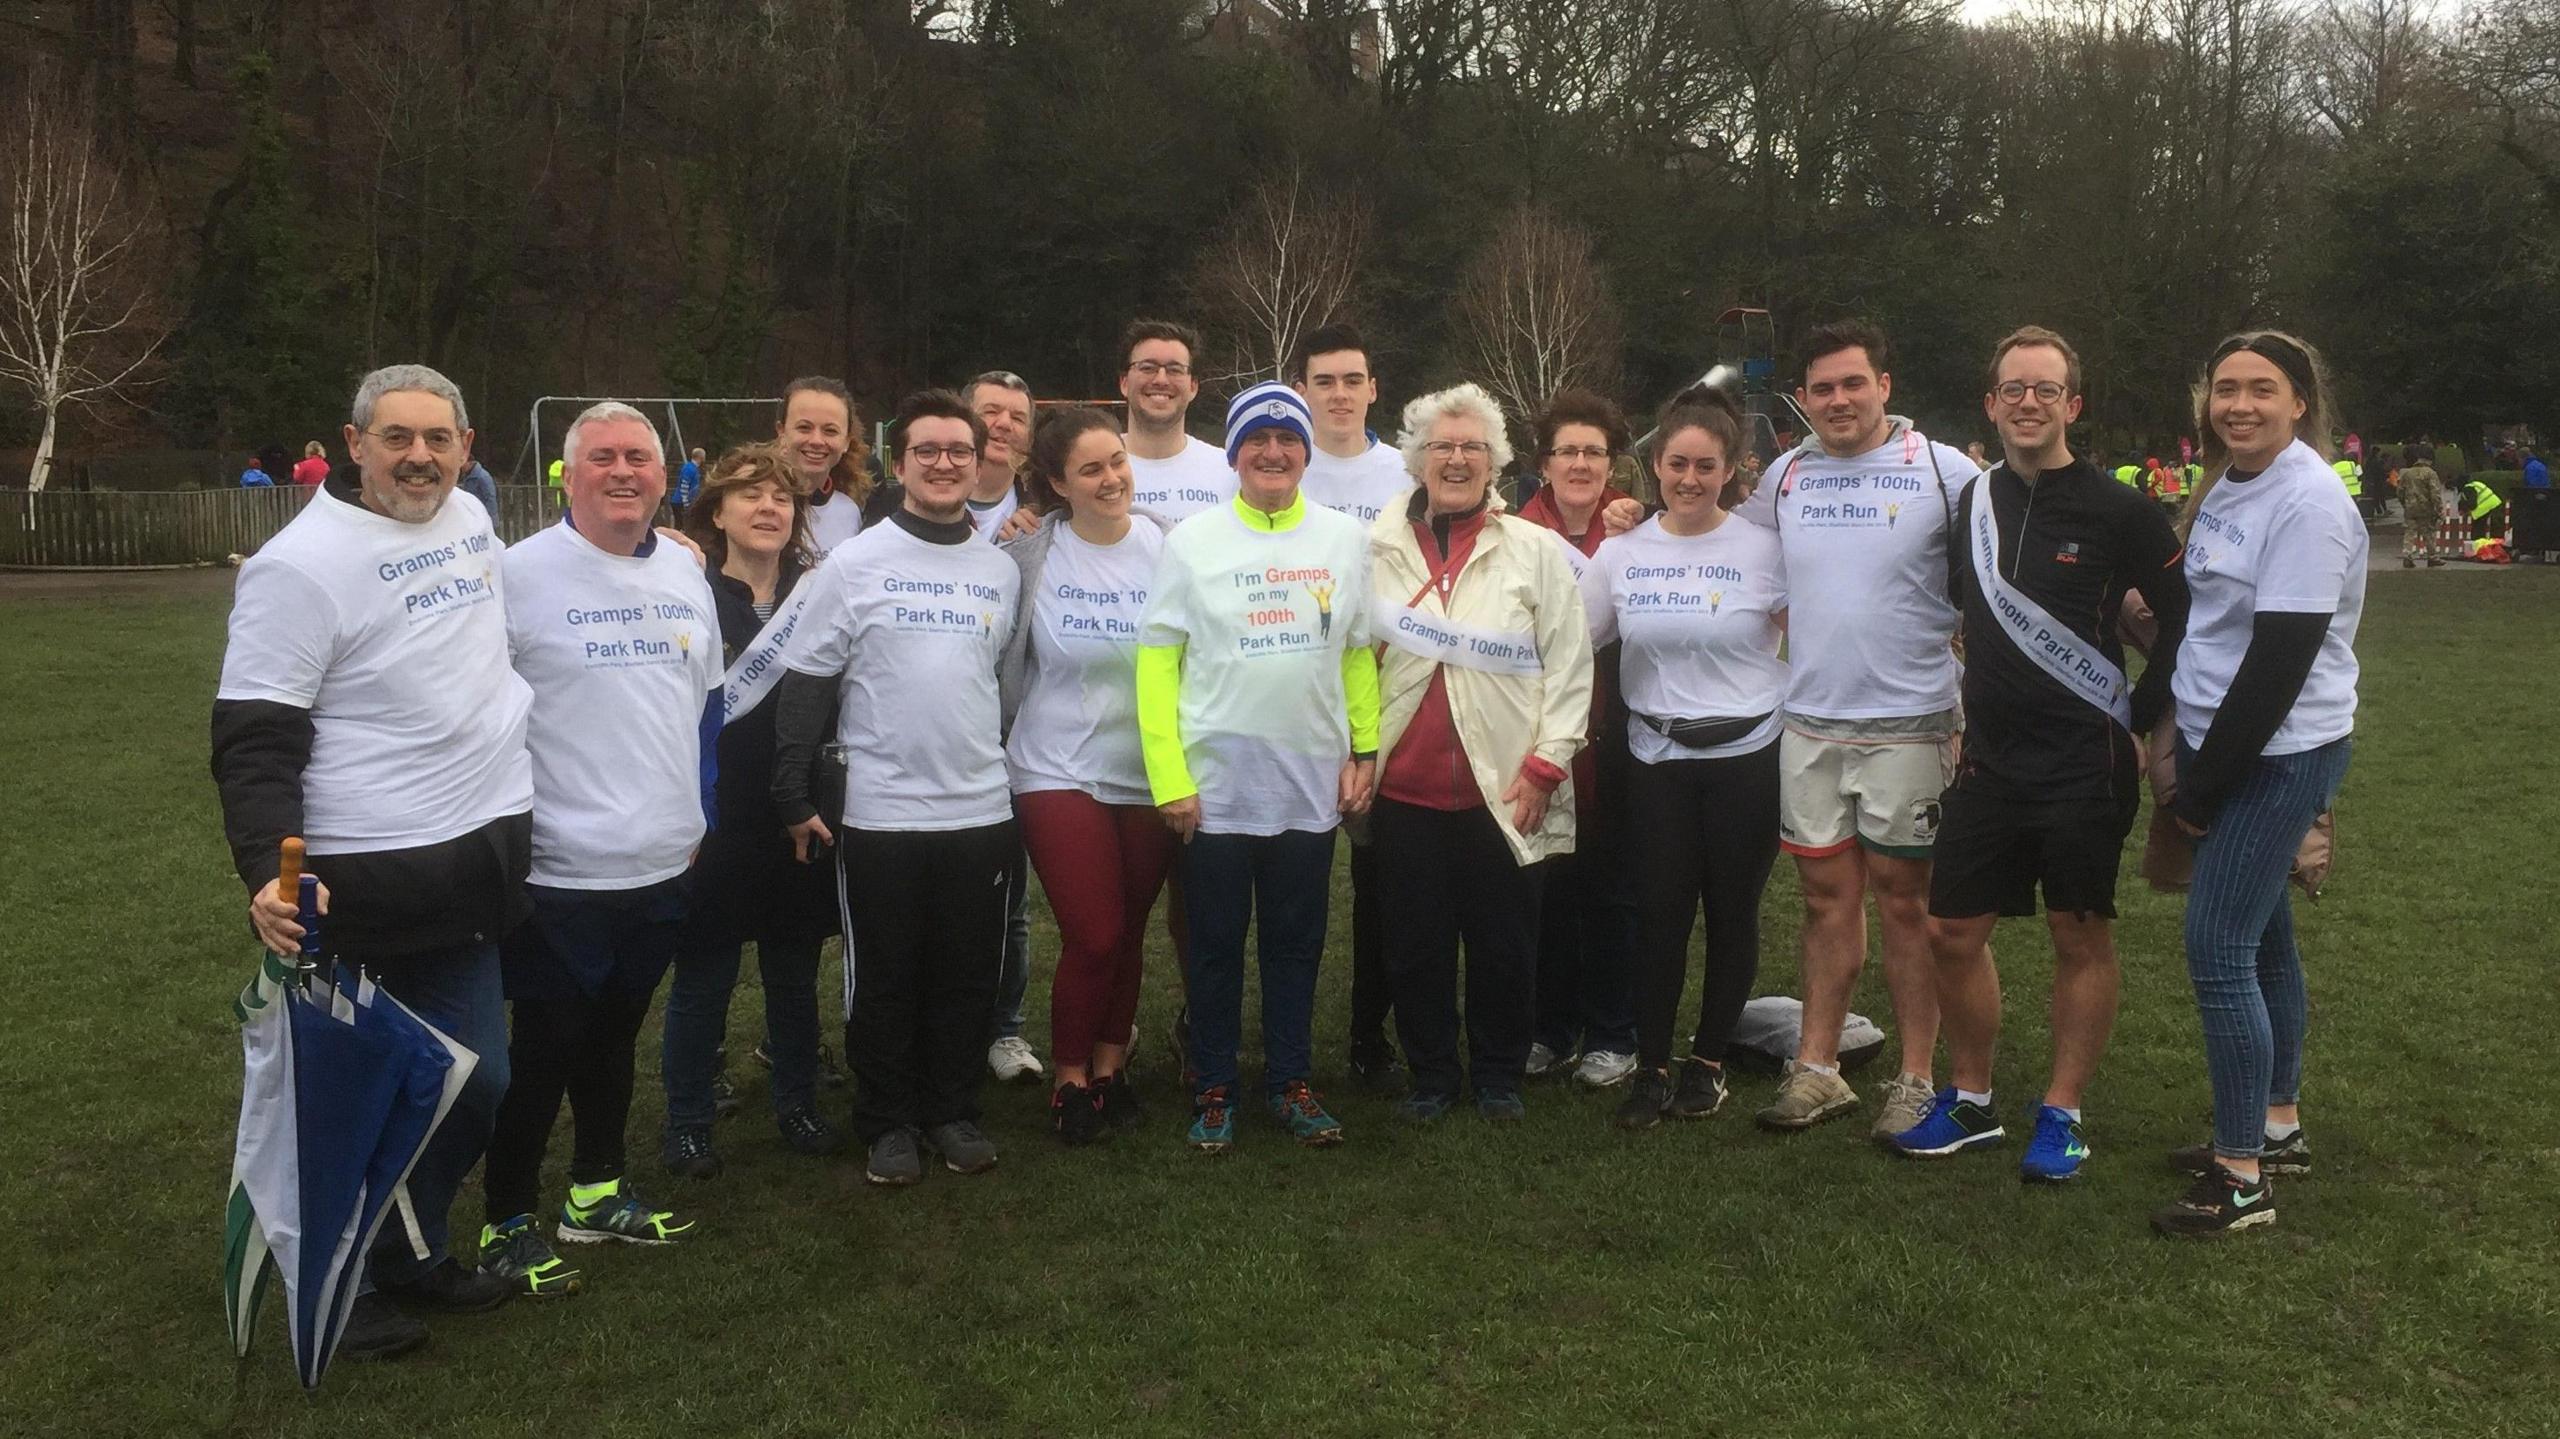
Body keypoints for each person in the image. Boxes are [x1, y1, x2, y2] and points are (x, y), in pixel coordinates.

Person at [212, 363, 530, 1360]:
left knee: (475, 1086)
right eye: (396, 437)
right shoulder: (298, 565)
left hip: (474, 867)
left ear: (466, 450)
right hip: (364, 881)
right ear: (351, 444)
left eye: (438, 438)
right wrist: (269, 866)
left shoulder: (470, 518)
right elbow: (255, 737)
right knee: (358, 1097)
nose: (418, 456)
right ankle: (336, 1287)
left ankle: (403, 1247)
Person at [1667, 321, 1974, 1140]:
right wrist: (1644, 514)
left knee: (1905, 901)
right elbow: (1724, 547)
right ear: (1802, 400)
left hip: (1910, 723)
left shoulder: (1945, 472)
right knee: (1822, 896)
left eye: (1853, 383)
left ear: (1885, 385)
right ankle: (1819, 1068)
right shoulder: (1789, 476)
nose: (1839, 400)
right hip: (1807, 722)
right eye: (1823, 389)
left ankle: (1915, 1077)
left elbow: (1994, 581)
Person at [1899, 327, 2189, 1181]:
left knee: (2078, 930)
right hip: (1988, 760)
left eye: (2046, 389)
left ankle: (2061, 1111)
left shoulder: (2120, 509)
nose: (2029, 402)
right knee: (1950, 929)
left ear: (2073, 404)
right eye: (2013, 389)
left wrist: (2140, 712)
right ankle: (1973, 1100)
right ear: (1991, 404)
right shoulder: (1972, 503)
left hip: (2085, 762)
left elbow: (2182, 618)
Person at [478, 402, 718, 1297]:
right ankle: (505, 1219)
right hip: (558, 869)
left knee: (616, 1035)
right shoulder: (518, 574)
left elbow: (707, 707)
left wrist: (699, 819)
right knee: (544, 1048)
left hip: (659, 865)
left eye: (640, 459)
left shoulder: (688, 571)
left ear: (665, 476)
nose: (624, 472)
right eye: (604, 458)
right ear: (567, 474)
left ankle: (595, 1192)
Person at [773, 390, 1022, 1186]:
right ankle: (886, 1121)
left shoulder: (997, 569)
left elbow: (996, 682)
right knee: (883, 975)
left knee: (965, 973)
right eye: (928, 451)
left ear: (979, 459)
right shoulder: (855, 563)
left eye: (960, 450)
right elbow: (809, 680)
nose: (945, 463)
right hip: (880, 814)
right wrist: (792, 790)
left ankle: (950, 1109)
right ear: (902, 462)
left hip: (981, 809)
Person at [2151, 331, 2363, 1238]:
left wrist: (2197, 795)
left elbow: (2277, 664)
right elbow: (2210, 623)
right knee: (2265, 938)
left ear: (2300, 402)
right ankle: (2278, 1125)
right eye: (2225, 389)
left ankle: (2241, 1176)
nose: (2240, 405)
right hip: (2219, 738)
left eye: (2261, 390)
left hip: (2275, 751)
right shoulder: (2231, 483)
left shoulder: (2310, 501)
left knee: (2218, 948)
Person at [1135, 381, 1377, 1152]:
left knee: (1296, 942)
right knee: (1212, 943)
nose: (1273, 451)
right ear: (1235, 453)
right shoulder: (1192, 541)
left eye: (1287, 439)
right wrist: (1168, 775)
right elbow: (1156, 663)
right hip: (1214, 788)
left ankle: (1290, 1081)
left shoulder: (1343, 539)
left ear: (1305, 452)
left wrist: (1363, 750)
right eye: (1257, 439)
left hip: (1308, 783)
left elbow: (1359, 653)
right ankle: (1213, 1084)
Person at [1368, 383, 1591, 1123]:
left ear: (1495, 461)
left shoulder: (1533, 549)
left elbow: (1570, 666)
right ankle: (1432, 1072)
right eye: (1442, 446)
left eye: (1472, 447)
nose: (1457, 458)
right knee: (1415, 944)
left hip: (1506, 785)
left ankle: (1498, 1073)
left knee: (1504, 942)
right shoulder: (1376, 545)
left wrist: (1544, 767)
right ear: (1417, 459)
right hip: (1404, 788)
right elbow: (1351, 656)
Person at [1579, 385, 1788, 1131]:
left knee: (1732, 912)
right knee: (1661, 915)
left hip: (1747, 756)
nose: (1690, 479)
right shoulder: (1622, 552)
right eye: (1677, 464)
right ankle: (1653, 1064)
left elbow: (1817, 631)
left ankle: (1707, 1064)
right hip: (1657, 755)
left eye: (1706, 466)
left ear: (1730, 468)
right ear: (1655, 466)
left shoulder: (1766, 549)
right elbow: (1570, 641)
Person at [658, 444, 846, 1181]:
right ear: (716, 511)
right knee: (704, 974)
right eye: (749, 495)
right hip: (717, 815)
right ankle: (688, 1120)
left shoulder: (821, 590)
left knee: (794, 971)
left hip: (799, 811)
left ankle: (797, 1102)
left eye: (782, 498)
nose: (768, 508)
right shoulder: (687, 588)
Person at [998, 408, 1175, 1143]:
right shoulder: (1027, 551)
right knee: (1094, 932)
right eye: (1091, 469)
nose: (1112, 479)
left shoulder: (1168, 544)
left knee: (1130, 929)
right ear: (1056, 484)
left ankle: (1111, 1066)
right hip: (1055, 764)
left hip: (1147, 767)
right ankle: (1069, 1078)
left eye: (1117, 461)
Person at [1290, 321, 1415, 1094]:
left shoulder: (1407, 471)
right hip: (1293, 698)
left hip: (1388, 698)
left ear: (1374, 389)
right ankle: (1272, 1031)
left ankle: (1371, 1032)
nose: (1339, 394)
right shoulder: (1277, 467)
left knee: (1381, 883)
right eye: (1324, 380)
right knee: (1291, 876)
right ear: (1302, 389)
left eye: (1352, 379)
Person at [1514, 389, 1642, 1089]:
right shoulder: (1512, 528)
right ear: (1545, 461)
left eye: (1595, 450)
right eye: (1568, 450)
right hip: (1537, 732)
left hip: (1617, 730)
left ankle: (1613, 1031)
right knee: (1547, 886)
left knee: (1612, 887)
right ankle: (1550, 1026)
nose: (1582, 462)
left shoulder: (1635, 529)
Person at [962, 368, 1045, 1085]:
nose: (1002, 424)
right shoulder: (906, 503)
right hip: (931, 729)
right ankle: (946, 1022)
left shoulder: (1043, 511)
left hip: (1013, 733)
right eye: (989, 411)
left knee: (1010, 898)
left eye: (1016, 415)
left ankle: (1005, 1030)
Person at [1118, 319, 1237, 523]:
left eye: (1175, 370)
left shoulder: (1228, 470)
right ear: (1124, 383)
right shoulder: (1093, 470)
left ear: (1193, 386)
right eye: (1148, 368)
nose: (1161, 380)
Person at [777, 376, 879, 554]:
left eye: (830, 431)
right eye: (804, 428)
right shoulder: (752, 504)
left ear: (847, 441)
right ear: (781, 433)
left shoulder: (849, 511)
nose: (817, 440)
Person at [2398, 452, 2446, 568]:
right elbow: (2435, 494)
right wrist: (2440, 510)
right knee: (2429, 533)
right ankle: (2432, 557)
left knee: (2409, 532)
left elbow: (2400, 491)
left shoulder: (2407, 473)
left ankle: (2407, 555)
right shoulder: (2430, 473)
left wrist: (2404, 504)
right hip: (2425, 508)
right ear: (2429, 461)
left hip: (2410, 508)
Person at [2459, 473, 2504, 544]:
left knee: (2477, 529)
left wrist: (2467, 511)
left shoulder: (2468, 488)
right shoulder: (2476, 484)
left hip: (2485, 507)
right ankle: (2495, 547)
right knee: (2496, 529)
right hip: (2495, 503)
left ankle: (2478, 547)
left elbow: (2472, 504)